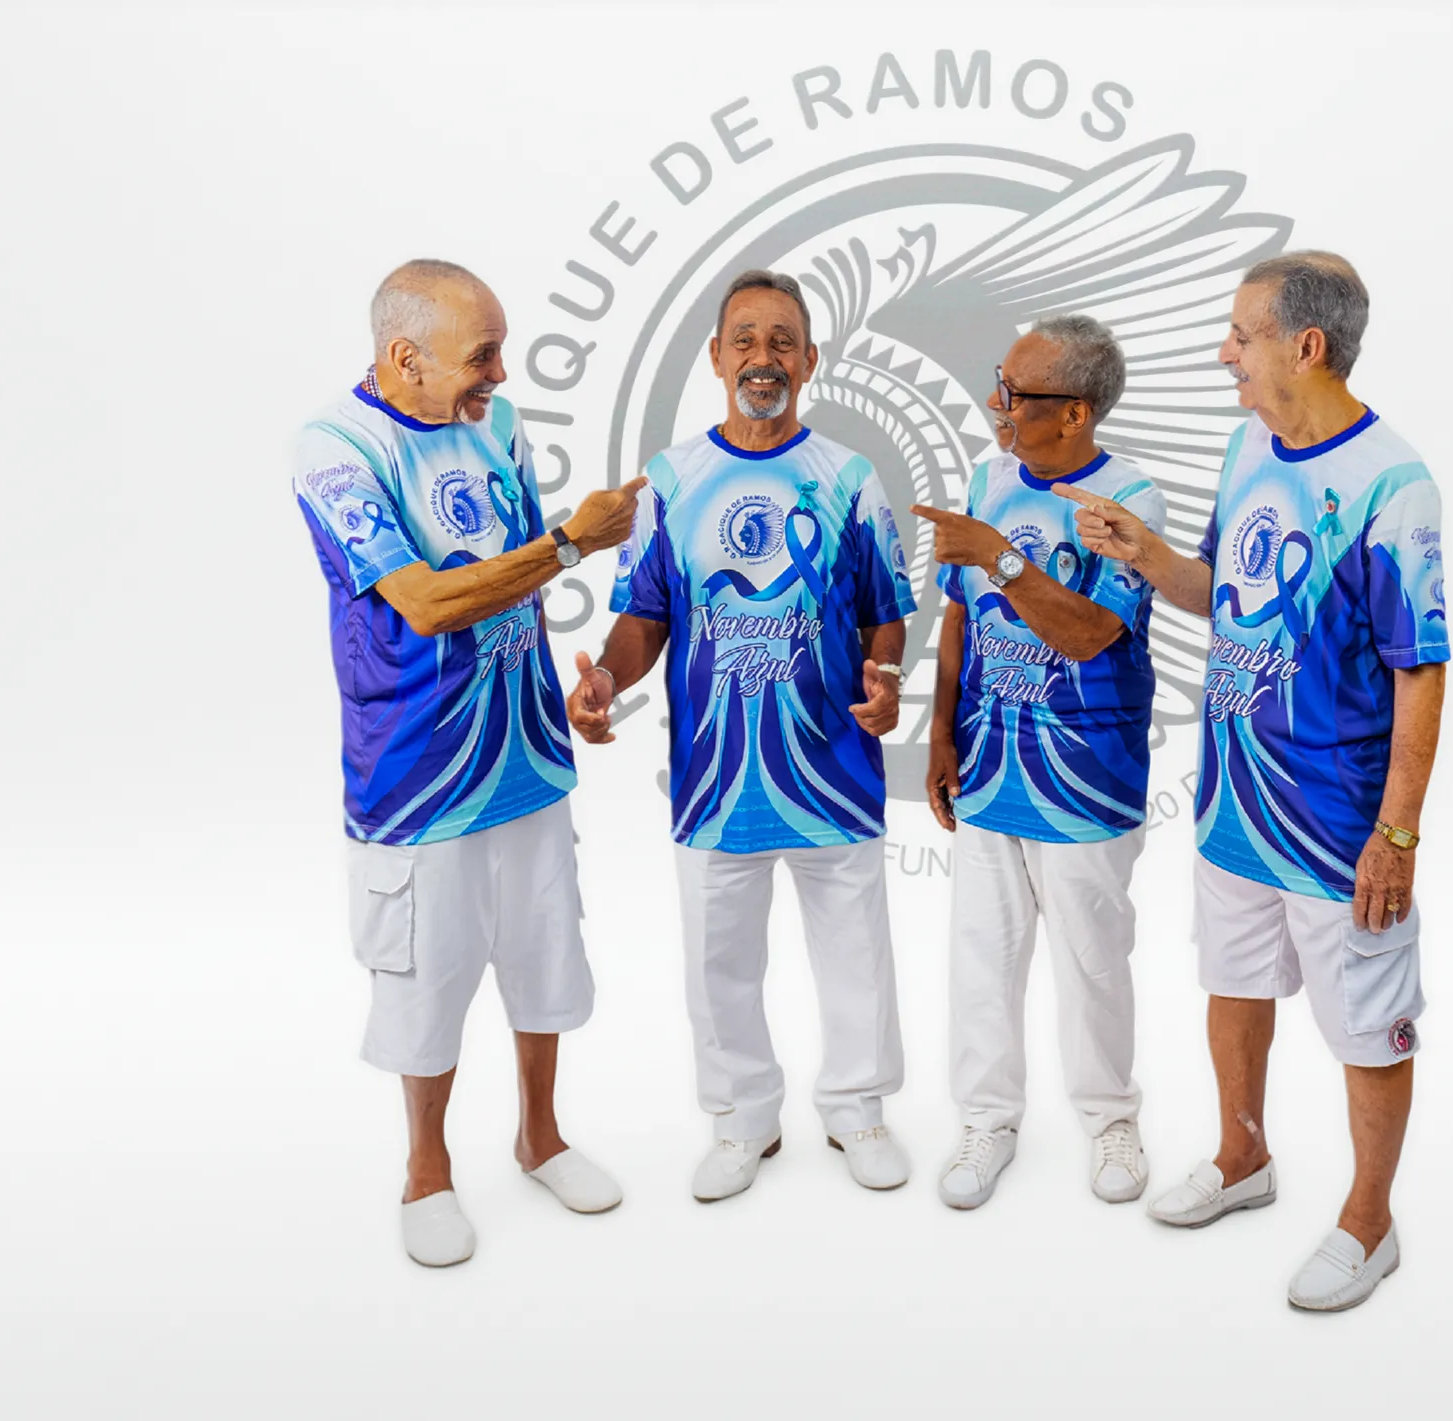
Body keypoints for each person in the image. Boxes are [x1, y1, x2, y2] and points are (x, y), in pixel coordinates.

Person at [1057, 251, 1449, 1311]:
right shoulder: (1250, 446)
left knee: (1366, 1023)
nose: (1224, 352)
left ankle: (1369, 1222)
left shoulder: (1392, 486)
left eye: (1242, 334)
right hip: (1234, 802)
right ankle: (1243, 1158)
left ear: (1305, 345)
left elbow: (1421, 666)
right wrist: (1145, 554)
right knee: (1232, 986)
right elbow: (1219, 592)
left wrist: (1397, 835)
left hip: (1336, 821)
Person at [292, 259, 642, 1266]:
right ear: (406, 357)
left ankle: (541, 1138)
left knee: (544, 960)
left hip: (525, 752)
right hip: (420, 772)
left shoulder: (498, 423)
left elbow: (518, 570)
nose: (500, 373)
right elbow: (425, 601)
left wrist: (571, 687)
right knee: (426, 981)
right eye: (482, 355)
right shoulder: (336, 448)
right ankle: (427, 1171)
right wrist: (575, 543)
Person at [568, 270, 917, 1203]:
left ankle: (857, 1109)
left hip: (833, 768)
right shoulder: (671, 480)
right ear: (717, 358)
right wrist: (605, 680)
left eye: (783, 341)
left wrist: (885, 678)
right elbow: (646, 616)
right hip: (713, 776)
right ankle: (741, 1118)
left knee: (855, 951)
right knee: (718, 959)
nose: (765, 358)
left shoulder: (847, 478)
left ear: (810, 360)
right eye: (746, 340)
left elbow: (885, 612)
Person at [909, 316, 1166, 1210]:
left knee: (1092, 961)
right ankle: (988, 1120)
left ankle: (1110, 1117)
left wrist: (1001, 555)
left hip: (1088, 774)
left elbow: (1092, 634)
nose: (997, 404)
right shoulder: (990, 479)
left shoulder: (1128, 502)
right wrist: (940, 734)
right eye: (1000, 382)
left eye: (1016, 395)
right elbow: (959, 613)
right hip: (990, 765)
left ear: (1076, 413)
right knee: (982, 958)